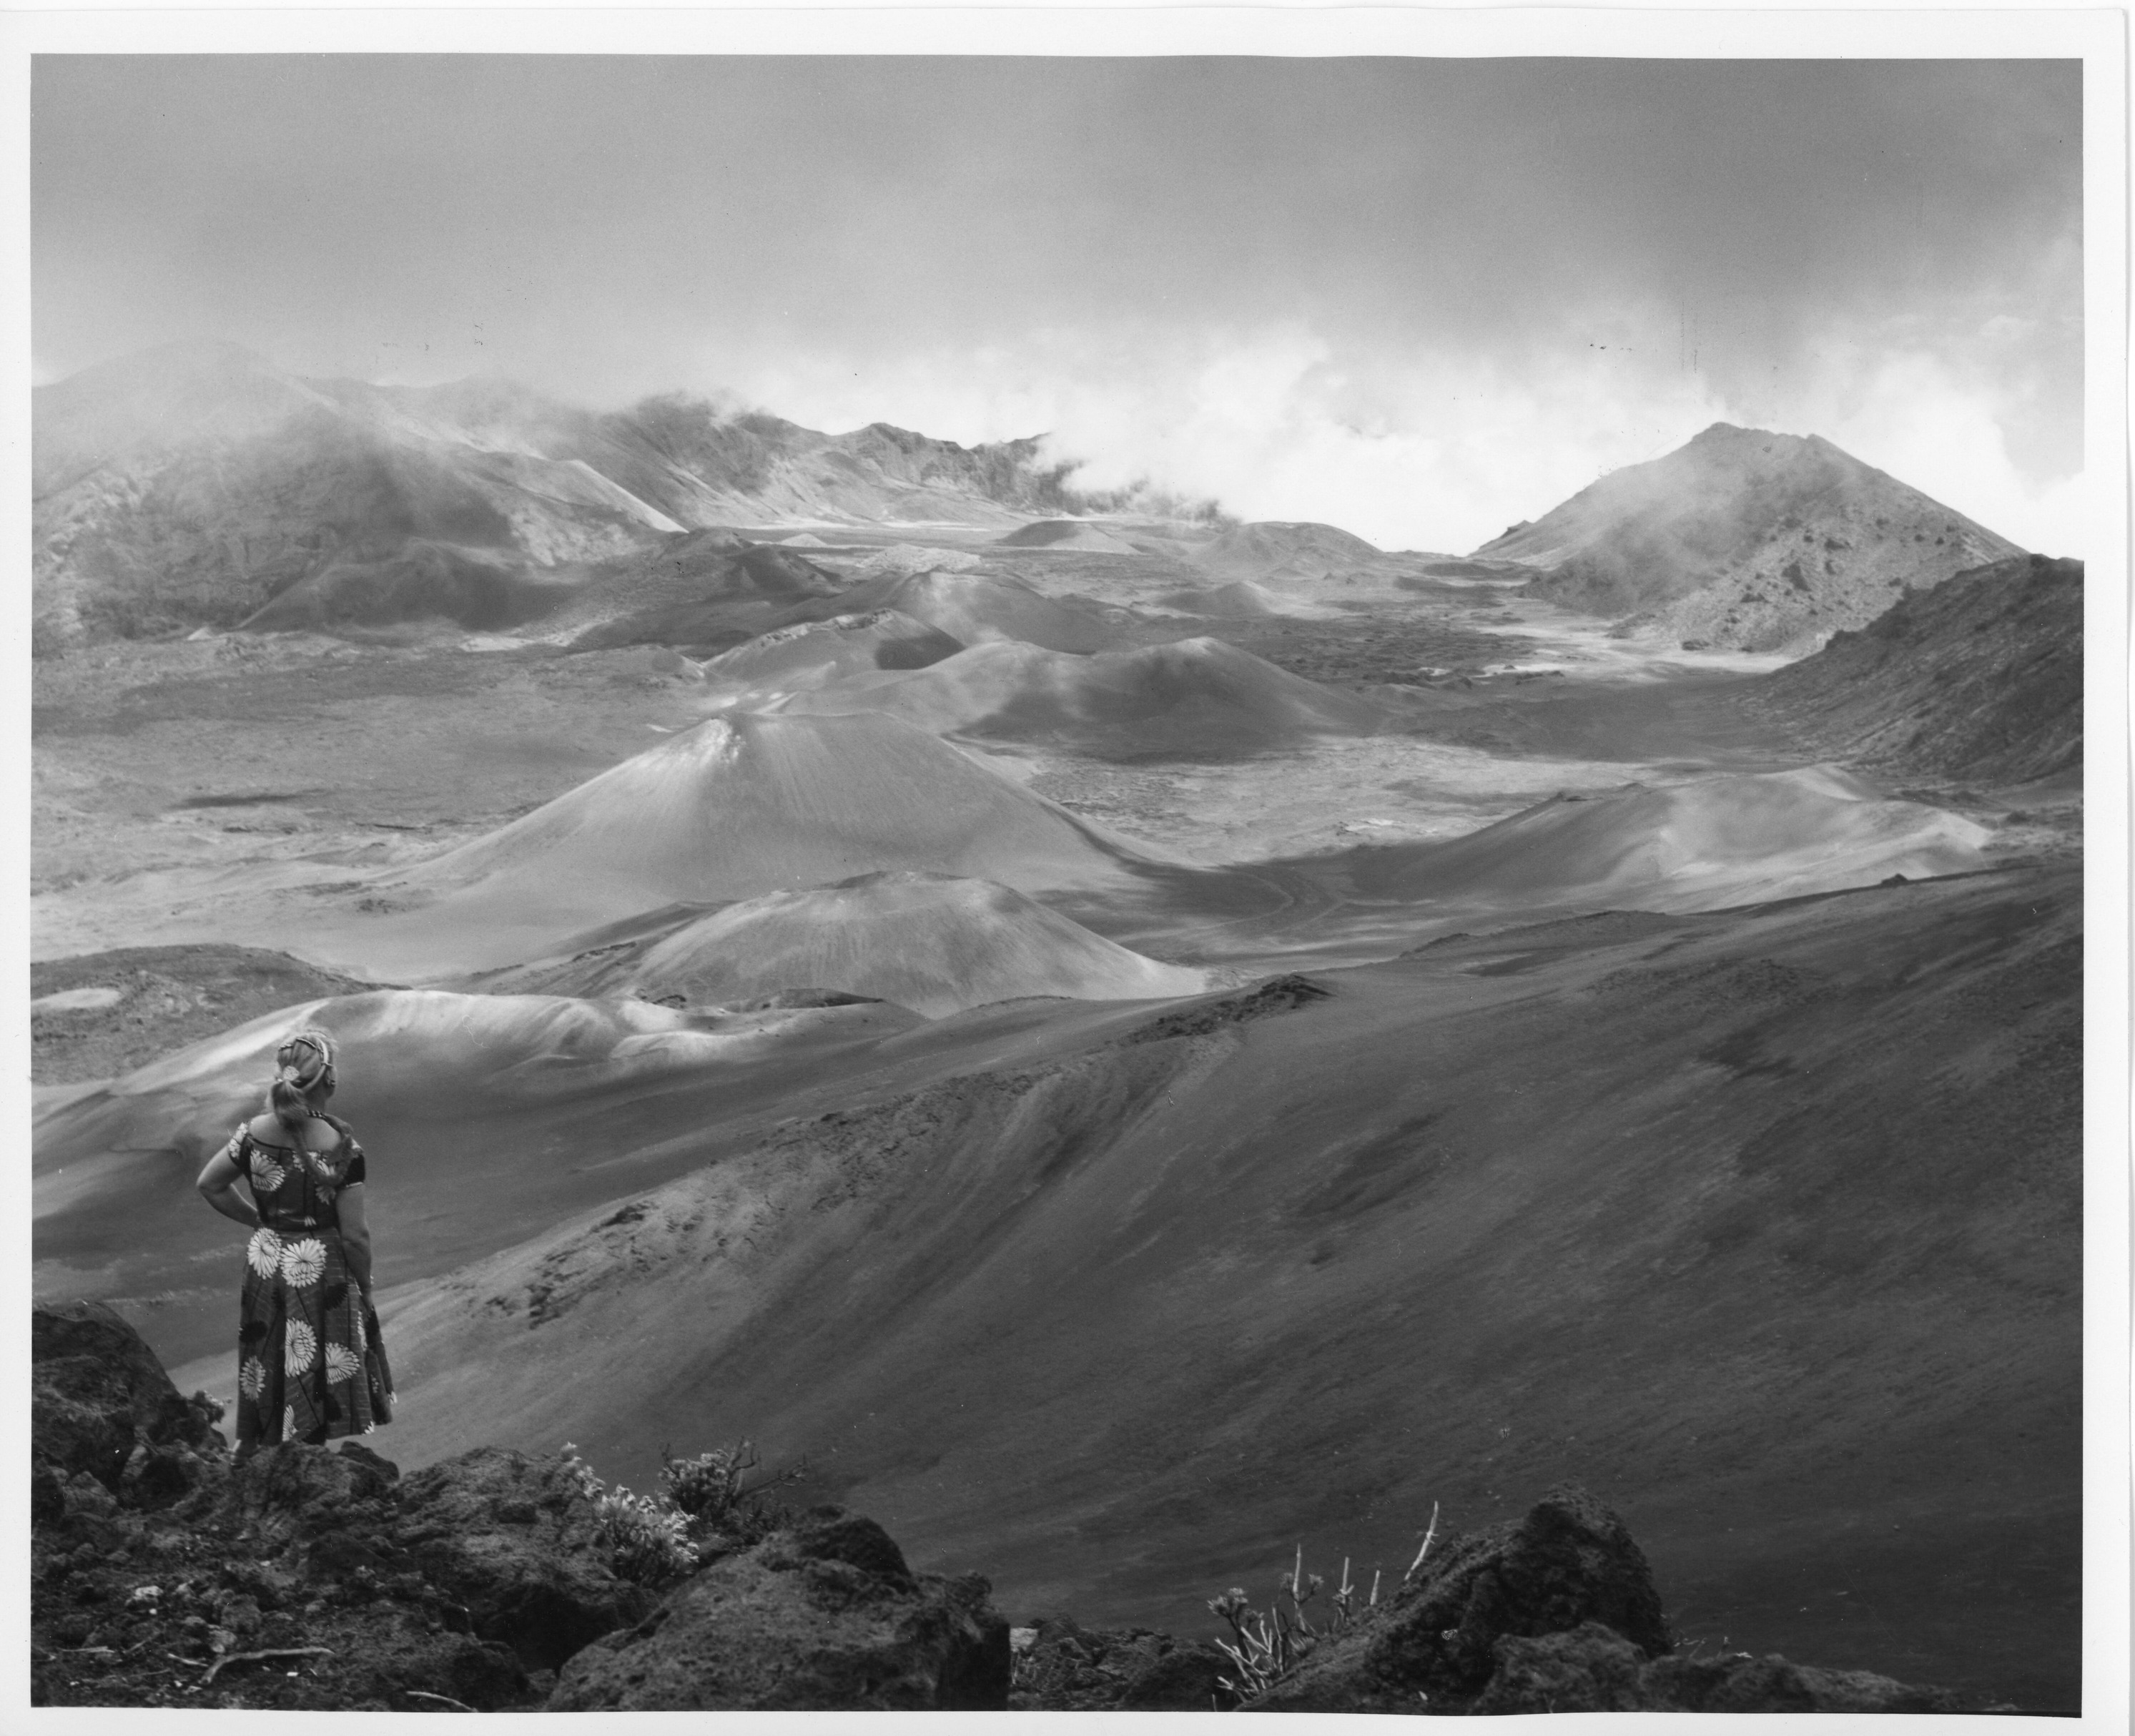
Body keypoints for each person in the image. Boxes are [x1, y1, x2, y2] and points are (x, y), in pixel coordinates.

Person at [195, 1027, 393, 1455]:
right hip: (322, 1275)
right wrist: (367, 1286)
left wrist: (261, 1223)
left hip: (266, 1266)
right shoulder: (343, 1148)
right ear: (330, 1080)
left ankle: (249, 1459)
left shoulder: (251, 1133)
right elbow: (355, 1235)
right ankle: (303, 1468)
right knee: (312, 1370)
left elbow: (210, 1185)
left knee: (266, 1361)